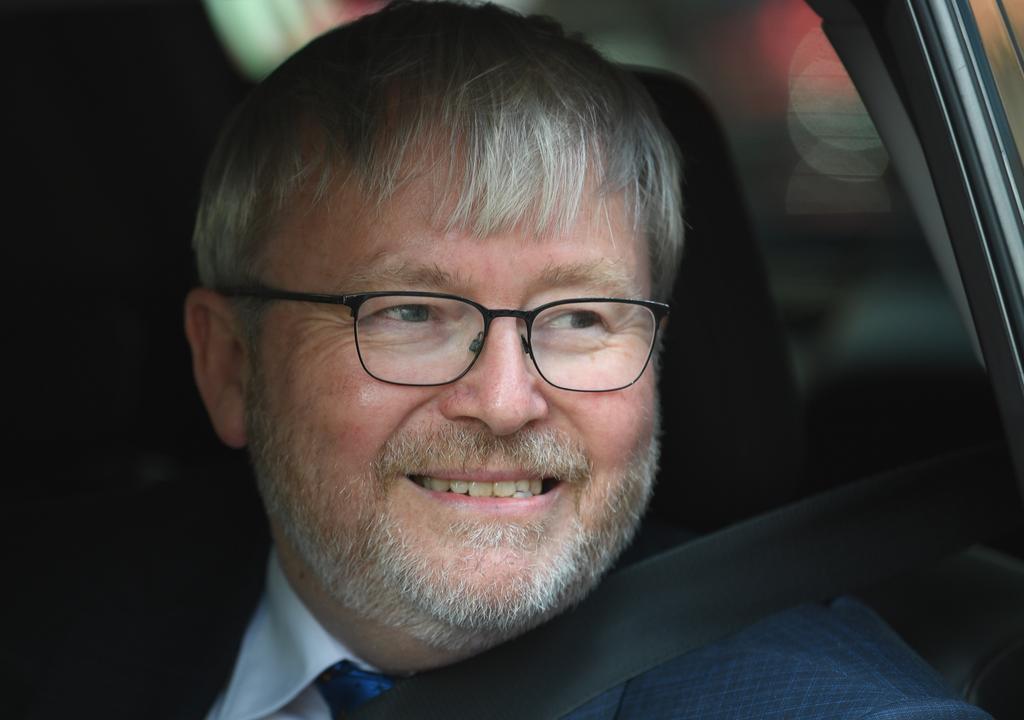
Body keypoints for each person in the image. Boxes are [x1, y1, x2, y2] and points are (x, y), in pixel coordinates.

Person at [182, 2, 988, 719]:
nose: (504, 401)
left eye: (577, 317)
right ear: (232, 366)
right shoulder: (73, 628)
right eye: (411, 313)